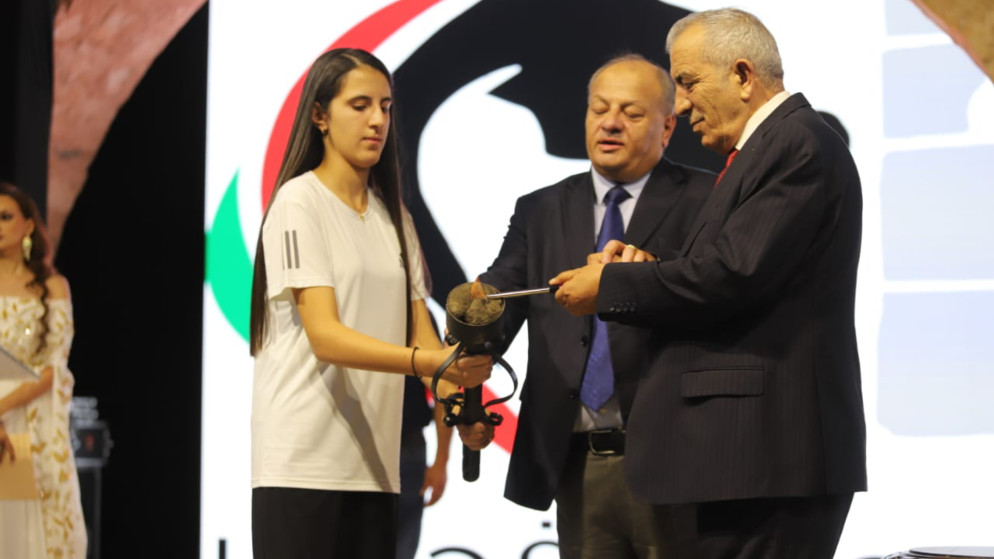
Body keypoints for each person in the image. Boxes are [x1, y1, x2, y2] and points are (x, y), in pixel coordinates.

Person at [552, 8, 866, 559]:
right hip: (750, 459)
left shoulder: (795, 144)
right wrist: (647, 267)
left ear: (742, 75)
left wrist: (613, 286)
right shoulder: (769, 149)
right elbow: (741, 268)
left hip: (769, 459)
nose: (680, 105)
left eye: (688, 82)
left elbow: (731, 276)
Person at [248, 48, 491, 559]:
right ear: (320, 115)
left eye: (385, 106)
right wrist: (429, 363)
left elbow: (423, 337)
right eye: (360, 105)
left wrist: (459, 404)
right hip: (302, 466)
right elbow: (326, 337)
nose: (378, 120)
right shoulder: (299, 201)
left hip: (377, 471)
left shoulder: (393, 217)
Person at [474, 55, 713, 558]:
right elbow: (499, 298)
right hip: (576, 463)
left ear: (668, 126)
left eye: (631, 112)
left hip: (681, 461)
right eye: (599, 109)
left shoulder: (709, 199)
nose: (610, 123)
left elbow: (718, 302)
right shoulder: (539, 208)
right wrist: (470, 318)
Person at [0, 181, 87, 559]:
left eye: (5, 217)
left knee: (26, 531)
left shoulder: (52, 287)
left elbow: (55, 365)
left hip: (27, 421)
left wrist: (2, 410)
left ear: (28, 225)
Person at [396, 375, 452, 559]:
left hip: (408, 443)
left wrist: (441, 460)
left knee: (402, 546)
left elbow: (442, 385)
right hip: (355, 444)